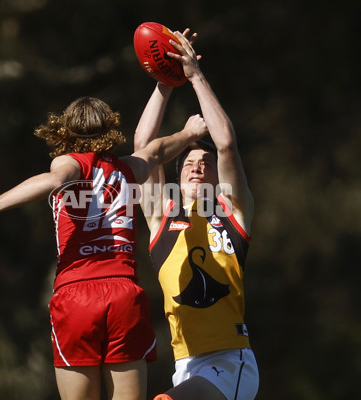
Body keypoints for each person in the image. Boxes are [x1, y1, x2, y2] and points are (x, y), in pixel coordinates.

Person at [0, 96, 208, 400]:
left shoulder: (67, 163)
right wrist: (188, 132)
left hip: (77, 295)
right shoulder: (128, 169)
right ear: (109, 128)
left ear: (65, 131)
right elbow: (158, 151)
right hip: (123, 294)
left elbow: (55, 179)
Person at [133, 29, 259, 400]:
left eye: (207, 163)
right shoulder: (162, 216)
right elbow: (144, 147)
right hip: (185, 364)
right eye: (189, 160)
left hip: (231, 362)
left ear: (219, 177)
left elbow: (226, 144)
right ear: (177, 173)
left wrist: (194, 75)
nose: (198, 166)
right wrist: (164, 82)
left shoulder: (232, 211)